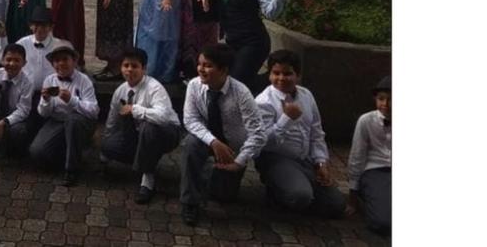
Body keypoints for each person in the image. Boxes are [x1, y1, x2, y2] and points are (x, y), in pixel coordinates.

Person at [179, 44, 266, 226]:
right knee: (190, 144)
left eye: (208, 66)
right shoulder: (194, 86)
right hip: (207, 139)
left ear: (224, 70)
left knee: (223, 196)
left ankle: (209, 176)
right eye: (200, 64)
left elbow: (258, 133)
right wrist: (213, 142)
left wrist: (239, 162)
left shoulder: (241, 93)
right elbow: (190, 120)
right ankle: (189, 202)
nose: (201, 69)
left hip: (232, 147)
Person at [254, 50, 345, 218]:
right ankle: (278, 191)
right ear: (269, 74)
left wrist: (320, 162)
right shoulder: (263, 102)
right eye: (276, 73)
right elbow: (262, 142)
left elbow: (316, 132)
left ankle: (299, 190)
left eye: (287, 73)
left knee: (337, 205)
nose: (281, 78)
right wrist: (286, 119)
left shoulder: (306, 95)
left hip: (305, 160)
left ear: (298, 75)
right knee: (300, 197)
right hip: (276, 158)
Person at [100, 47, 181, 204]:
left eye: (135, 66)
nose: (130, 70)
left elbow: (163, 117)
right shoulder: (120, 90)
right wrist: (104, 152)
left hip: (167, 132)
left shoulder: (155, 88)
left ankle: (147, 179)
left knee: (148, 127)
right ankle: (142, 159)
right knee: (108, 145)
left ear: (144, 68)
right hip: (137, 133)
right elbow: (112, 120)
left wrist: (135, 109)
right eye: (126, 65)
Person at [216, 0, 291, 94]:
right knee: (231, 81)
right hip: (232, 42)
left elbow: (271, 13)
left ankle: (268, 90)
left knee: (238, 82)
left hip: (253, 43)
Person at [29, 45, 99, 186]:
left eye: (65, 59)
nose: (61, 63)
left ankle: (71, 170)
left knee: (73, 121)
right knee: (37, 152)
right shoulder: (50, 80)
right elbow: (43, 113)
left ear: (74, 61)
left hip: (80, 121)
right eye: (57, 60)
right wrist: (45, 100)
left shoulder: (84, 81)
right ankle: (71, 152)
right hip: (57, 121)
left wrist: (72, 101)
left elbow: (94, 111)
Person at [346, 75, 391, 236]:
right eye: (381, 99)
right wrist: (352, 195)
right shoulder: (366, 121)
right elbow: (357, 156)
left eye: (391, 100)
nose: (385, 104)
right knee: (382, 223)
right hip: (375, 170)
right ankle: (369, 197)